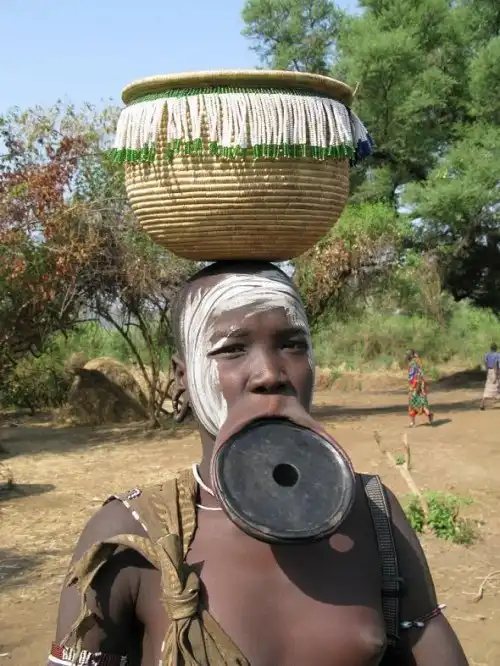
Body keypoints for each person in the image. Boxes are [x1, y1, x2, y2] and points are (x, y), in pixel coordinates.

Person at [48, 262, 468, 666]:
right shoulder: (130, 534)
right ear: (182, 376)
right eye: (232, 349)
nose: (270, 373)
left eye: (292, 345)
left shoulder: (372, 512)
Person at [406, 350, 434, 428]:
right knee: (415, 402)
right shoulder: (415, 362)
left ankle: (428, 415)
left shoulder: (414, 363)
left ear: (410, 355)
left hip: (417, 384)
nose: (406, 356)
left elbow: (418, 374)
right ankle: (413, 421)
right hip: (415, 384)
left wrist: (417, 385)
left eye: (408, 354)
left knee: (418, 401)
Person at [479, 342, 500, 410]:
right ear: (496, 348)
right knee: (497, 387)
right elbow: (496, 365)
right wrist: (496, 375)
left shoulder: (487, 354)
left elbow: (485, 363)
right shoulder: (497, 355)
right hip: (495, 371)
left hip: (489, 371)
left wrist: (487, 371)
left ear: (490, 348)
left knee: (488, 388)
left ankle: (482, 404)